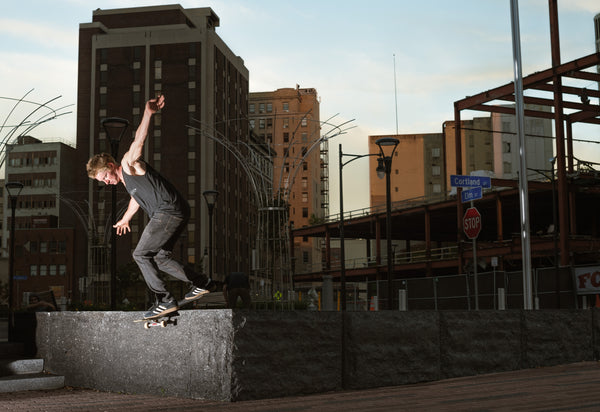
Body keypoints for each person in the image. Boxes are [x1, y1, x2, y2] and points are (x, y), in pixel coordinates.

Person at [86, 95, 214, 319]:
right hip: (176, 211)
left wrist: (148, 113)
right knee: (160, 257)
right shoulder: (128, 182)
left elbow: (138, 142)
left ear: (110, 165)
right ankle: (201, 282)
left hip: (167, 211)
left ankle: (164, 300)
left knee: (141, 254)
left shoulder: (127, 163)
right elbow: (136, 199)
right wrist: (126, 219)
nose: (106, 182)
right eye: (101, 182)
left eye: (105, 177)